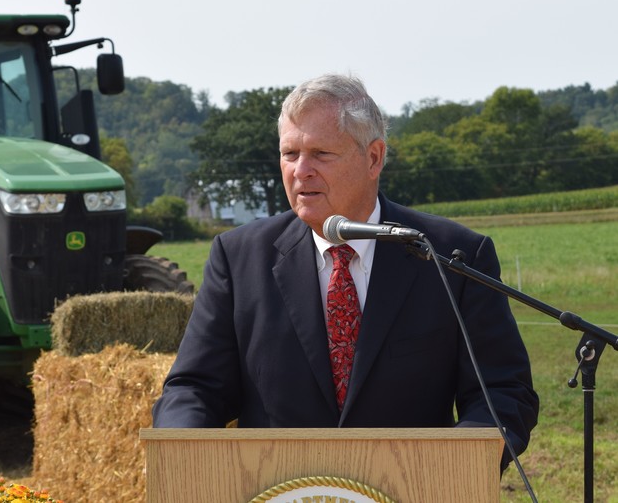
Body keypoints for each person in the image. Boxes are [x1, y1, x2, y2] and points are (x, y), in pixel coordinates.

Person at [152, 73, 539, 470]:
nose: (301, 170)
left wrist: (450, 467)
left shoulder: (452, 256)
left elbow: (501, 392)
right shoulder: (237, 258)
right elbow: (195, 389)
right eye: (290, 154)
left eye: (320, 154)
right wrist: (178, 453)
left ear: (373, 158)